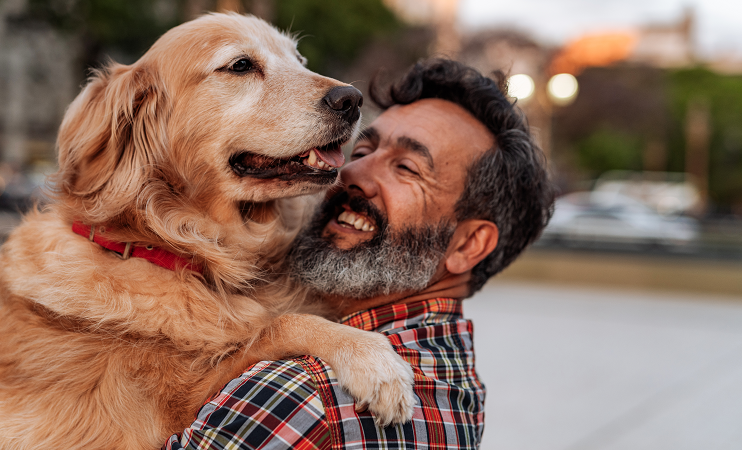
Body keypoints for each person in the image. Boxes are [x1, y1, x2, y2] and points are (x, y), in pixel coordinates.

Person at [164, 58, 555, 450]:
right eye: (363, 149)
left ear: (470, 245)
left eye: (406, 167)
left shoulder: (308, 394)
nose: (352, 174)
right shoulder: (453, 383)